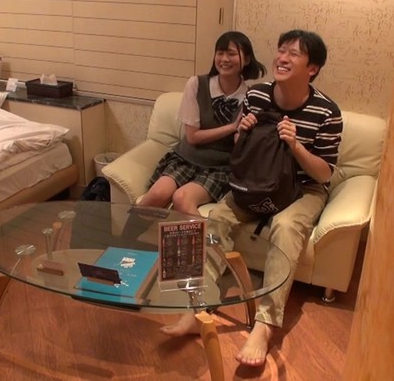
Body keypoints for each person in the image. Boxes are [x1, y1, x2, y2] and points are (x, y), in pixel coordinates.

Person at [159, 29, 343, 367]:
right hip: (256, 182)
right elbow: (239, 151)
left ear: (312, 68)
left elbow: (324, 174)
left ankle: (265, 325)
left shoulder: (326, 111)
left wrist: (295, 145)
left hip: (303, 188)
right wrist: (242, 133)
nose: (282, 58)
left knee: (286, 226)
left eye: (293, 54)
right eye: (281, 50)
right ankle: (197, 307)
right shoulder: (257, 95)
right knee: (218, 218)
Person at [138, 31, 266, 216]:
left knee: (182, 198)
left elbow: (242, 145)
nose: (224, 59)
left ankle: (209, 236)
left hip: (219, 168)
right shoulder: (197, 84)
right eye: (220, 53)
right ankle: (125, 235)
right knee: (157, 194)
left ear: (246, 59)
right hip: (185, 159)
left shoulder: (251, 96)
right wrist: (231, 127)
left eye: (231, 53)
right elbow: (193, 137)